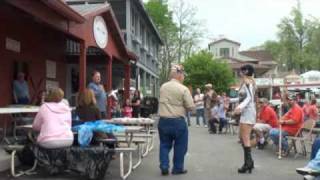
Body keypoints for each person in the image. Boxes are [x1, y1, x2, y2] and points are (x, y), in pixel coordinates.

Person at [158, 64, 195, 176]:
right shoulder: (183, 89)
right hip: (178, 121)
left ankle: (164, 166)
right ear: (179, 75)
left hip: (163, 120)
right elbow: (190, 107)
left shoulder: (163, 86)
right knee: (180, 146)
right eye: (183, 75)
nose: (184, 77)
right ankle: (177, 168)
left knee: (164, 144)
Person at [232, 64, 256, 174]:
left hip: (248, 112)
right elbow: (242, 97)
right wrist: (230, 100)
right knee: (242, 138)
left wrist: (239, 107)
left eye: (241, 70)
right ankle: (249, 161)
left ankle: (248, 164)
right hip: (245, 112)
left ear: (245, 72)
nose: (239, 72)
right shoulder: (246, 82)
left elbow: (249, 98)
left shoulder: (248, 82)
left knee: (245, 138)